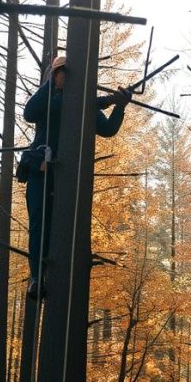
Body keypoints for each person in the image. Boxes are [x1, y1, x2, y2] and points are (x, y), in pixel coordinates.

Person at [22, 55, 131, 297]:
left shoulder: (85, 106)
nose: (66, 79)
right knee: (39, 225)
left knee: (63, 226)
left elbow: (108, 129)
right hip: (40, 172)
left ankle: (54, 276)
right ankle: (37, 277)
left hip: (69, 177)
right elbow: (29, 112)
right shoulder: (49, 100)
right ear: (55, 76)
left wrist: (119, 105)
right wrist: (52, 83)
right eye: (62, 74)